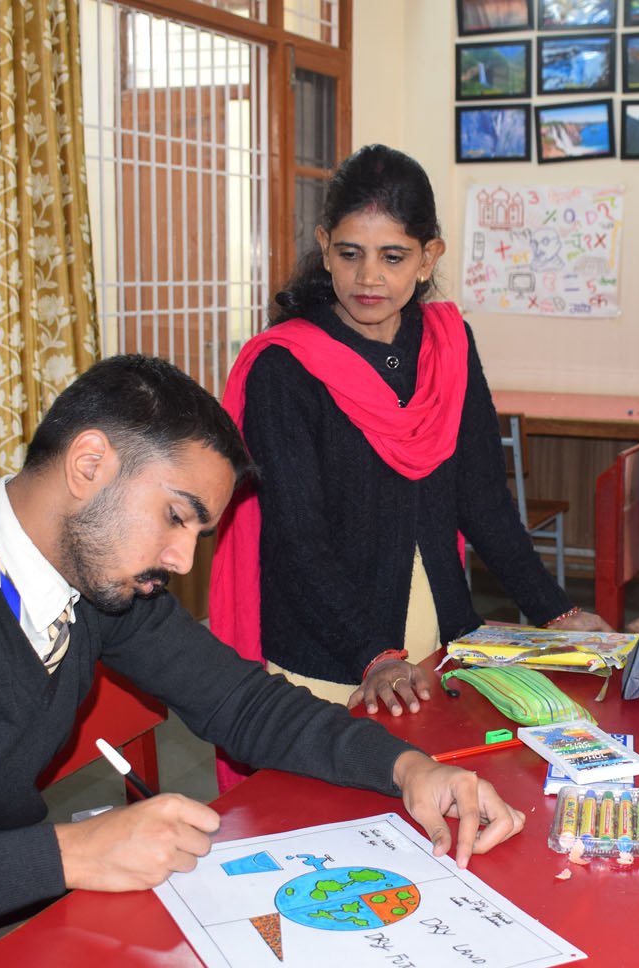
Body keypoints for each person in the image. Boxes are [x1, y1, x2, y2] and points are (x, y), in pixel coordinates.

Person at [0, 356, 524, 965]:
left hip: (13, 908)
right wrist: (70, 852)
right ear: (89, 466)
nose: (181, 561)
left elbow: (245, 703)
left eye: (198, 535)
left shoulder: (92, 580)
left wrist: (408, 769)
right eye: (176, 518)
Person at [208, 145, 608, 774]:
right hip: (331, 655)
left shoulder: (448, 345)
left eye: (393, 257)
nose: (369, 277)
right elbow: (297, 539)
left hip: (436, 642)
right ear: (324, 247)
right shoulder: (285, 368)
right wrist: (372, 655)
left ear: (428, 258)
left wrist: (556, 610)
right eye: (350, 254)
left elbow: (482, 498)